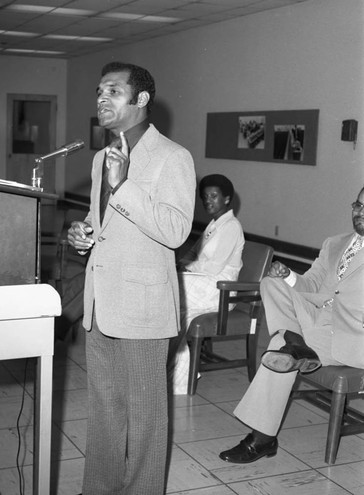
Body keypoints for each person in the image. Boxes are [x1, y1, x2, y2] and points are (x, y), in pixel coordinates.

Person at [67, 61, 196, 495]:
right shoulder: (102, 156)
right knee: (104, 410)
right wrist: (82, 233)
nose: (102, 98)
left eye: (114, 91)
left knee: (144, 417)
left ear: (141, 100)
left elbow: (176, 231)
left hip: (142, 308)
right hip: (102, 303)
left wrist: (124, 186)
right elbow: (100, 220)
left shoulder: (173, 157)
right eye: (100, 91)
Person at [219, 185, 364, 464]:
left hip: (351, 335)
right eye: (357, 205)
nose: (359, 212)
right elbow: (309, 285)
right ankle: (294, 342)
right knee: (271, 282)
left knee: (278, 347)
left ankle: (262, 438)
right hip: (317, 320)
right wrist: (288, 276)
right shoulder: (335, 243)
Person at [169, 174, 245, 394]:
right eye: (205, 197)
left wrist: (184, 268)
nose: (208, 201)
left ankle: (177, 374)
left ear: (227, 199)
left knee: (168, 288)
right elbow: (193, 253)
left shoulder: (231, 226)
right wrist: (181, 264)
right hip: (202, 285)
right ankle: (180, 379)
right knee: (174, 316)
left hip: (219, 290)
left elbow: (212, 267)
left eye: (214, 196)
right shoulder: (214, 225)